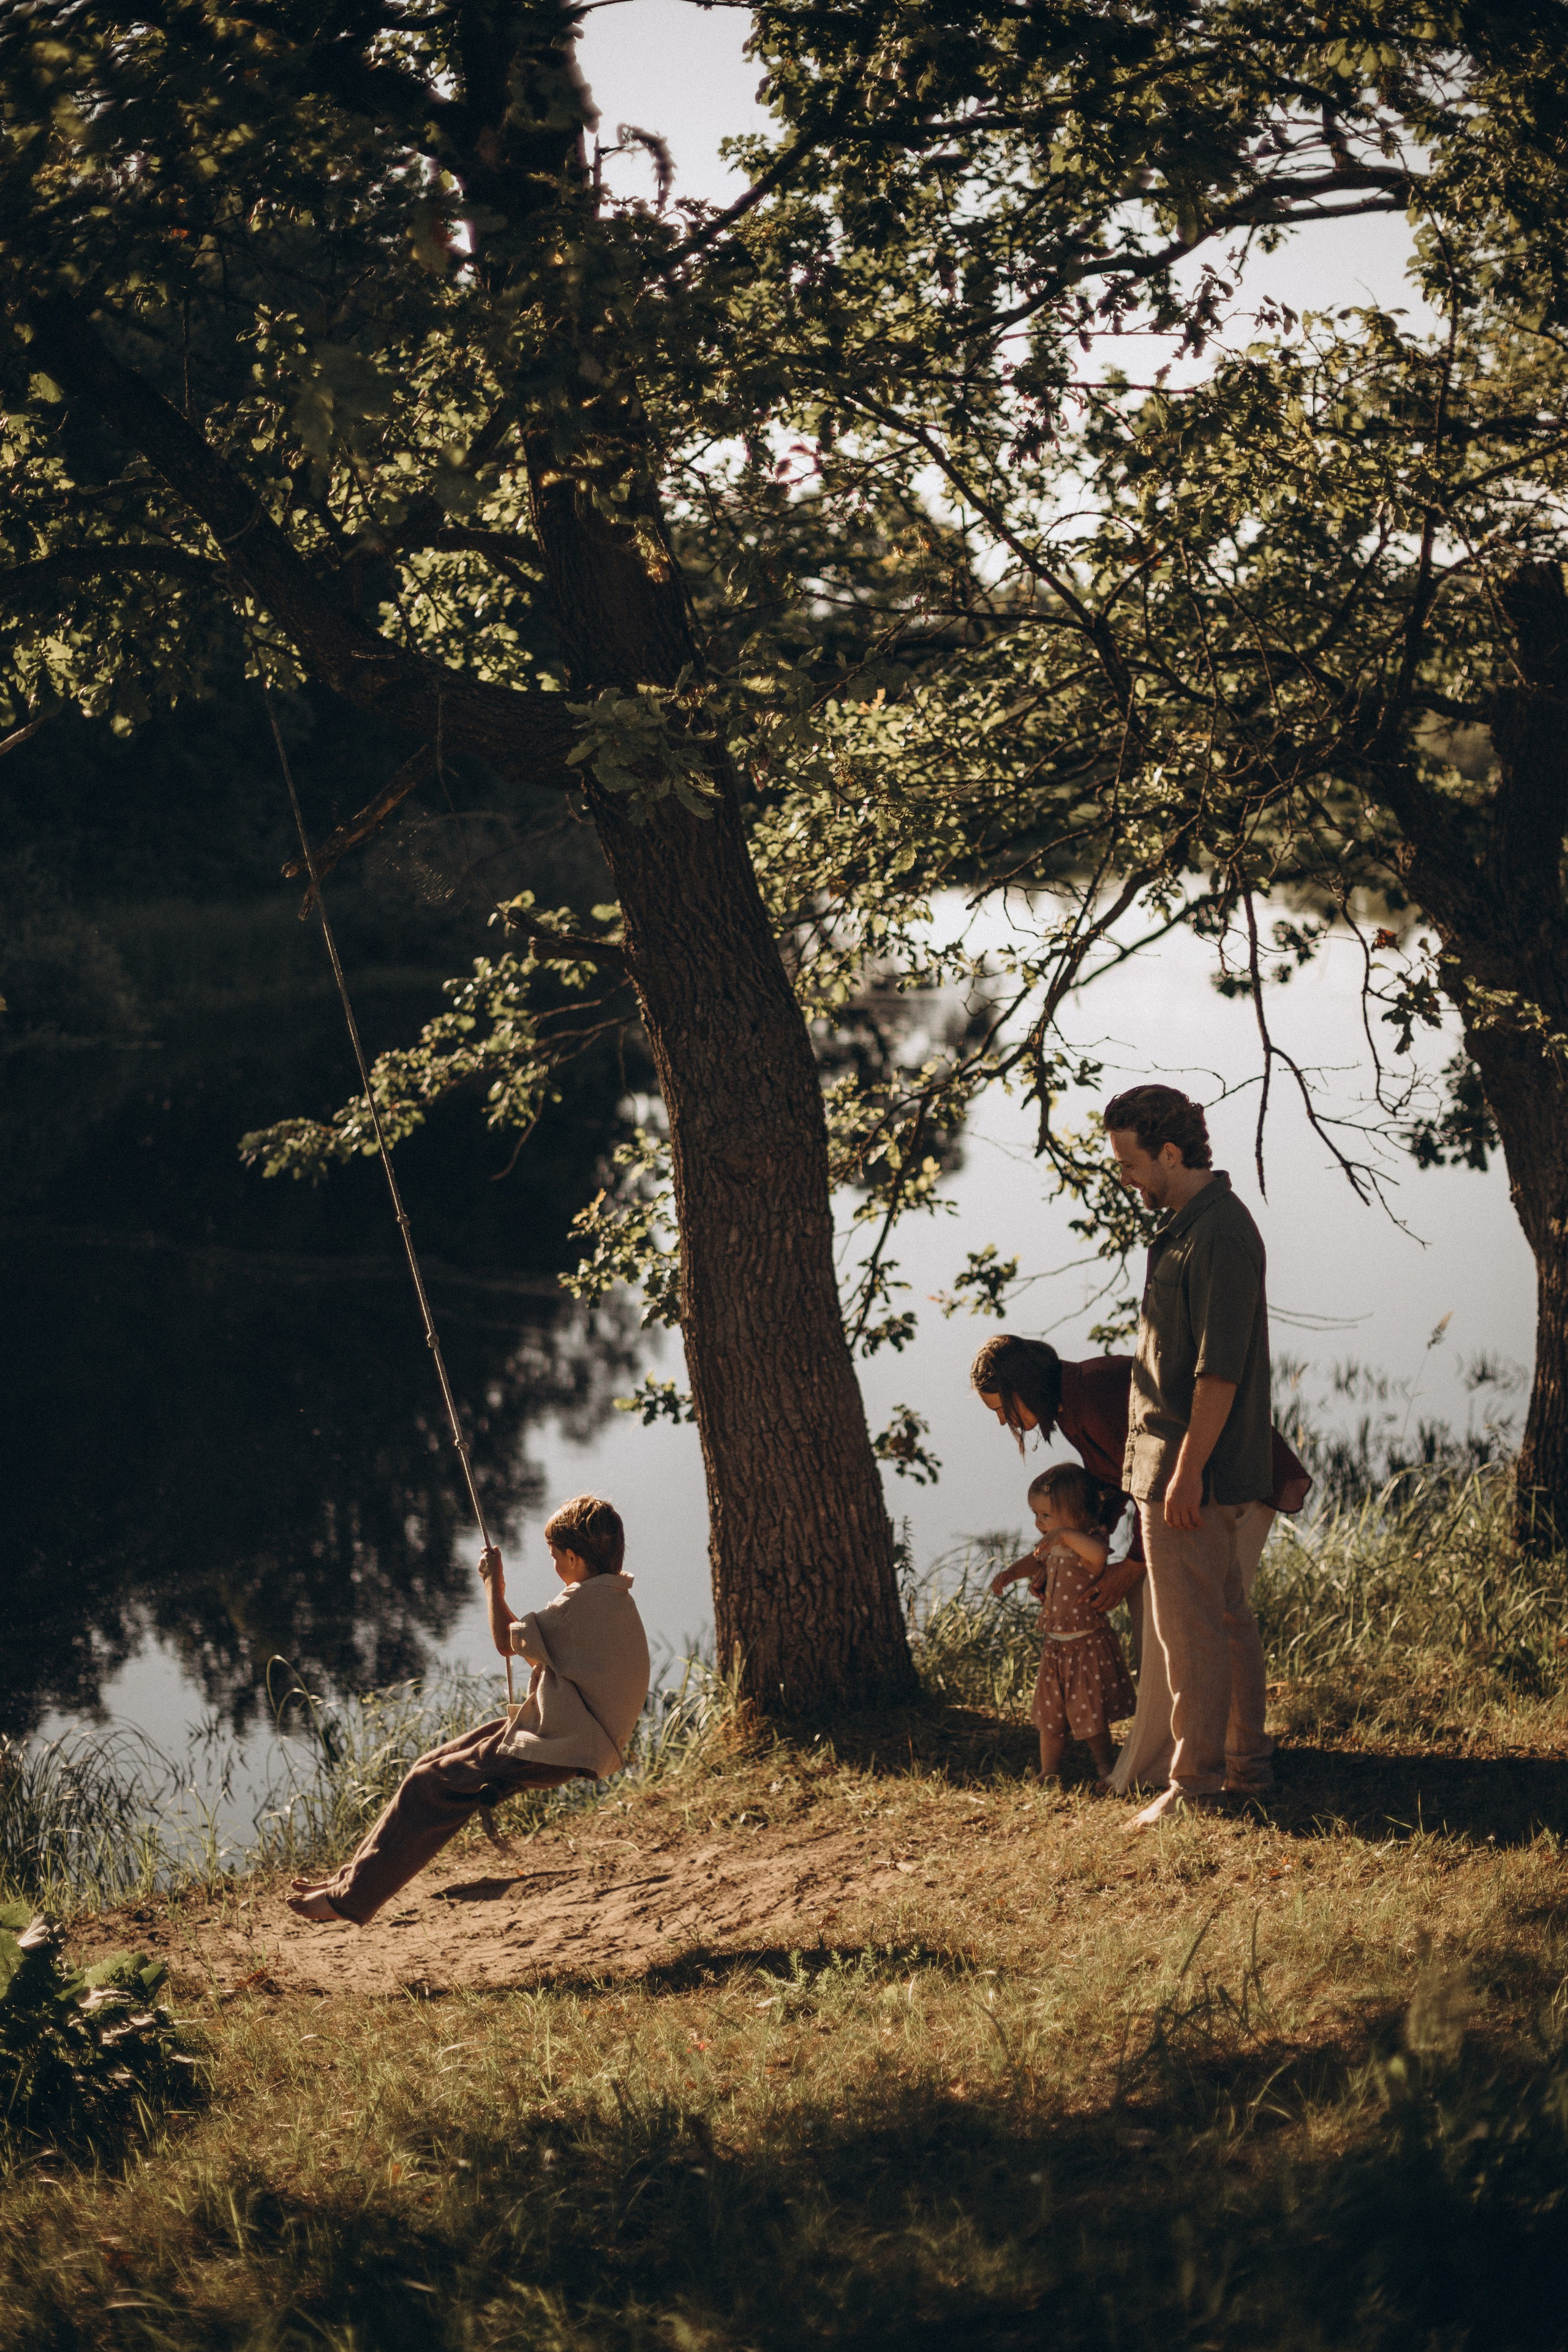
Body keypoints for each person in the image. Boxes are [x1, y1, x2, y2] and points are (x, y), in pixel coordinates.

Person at [286, 1494, 650, 1925]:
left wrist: (493, 1584)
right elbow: (535, 1649)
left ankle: (349, 1901)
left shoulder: (577, 1605)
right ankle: (348, 1881)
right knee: (428, 1765)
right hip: (563, 1728)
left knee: (428, 1785)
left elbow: (504, 1642)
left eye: (554, 1556)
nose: (553, 1564)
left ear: (573, 1557)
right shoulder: (611, 1598)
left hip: (563, 1744)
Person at [970, 1333, 1307, 1798]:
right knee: (1177, 1612)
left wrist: (1131, 1566)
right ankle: (1203, 1756)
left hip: (1233, 1483)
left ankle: (1217, 1764)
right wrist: (1085, 1553)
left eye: (1003, 1408)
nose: (1003, 1420)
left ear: (1024, 1385)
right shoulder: (1071, 1404)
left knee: (1207, 1618)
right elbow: (1118, 1480)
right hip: (1194, 1492)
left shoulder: (1094, 1396)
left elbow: (1161, 1476)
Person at [1102, 1082, 1278, 1827]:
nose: (1124, 1178)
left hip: (1188, 1472)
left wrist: (1186, 1472)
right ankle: (1244, 1767)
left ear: (1170, 1153)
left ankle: (1195, 1785)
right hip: (1175, 1466)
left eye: (1129, 1163)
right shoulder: (1186, 1227)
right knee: (1222, 1619)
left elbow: (1219, 1371)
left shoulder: (1219, 1235)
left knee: (1191, 1632)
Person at [990, 1464, 1136, 1785]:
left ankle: (1105, 1767)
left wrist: (1067, 1535)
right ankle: (1049, 1770)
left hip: (1086, 1646)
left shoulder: (1090, 1542)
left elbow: (1099, 1557)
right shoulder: (1055, 1544)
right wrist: (1012, 1573)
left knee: (1090, 1712)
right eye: (1036, 1514)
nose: (1039, 1523)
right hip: (1056, 1646)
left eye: (1046, 1516)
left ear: (1080, 1515)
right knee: (1049, 1715)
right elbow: (1035, 1560)